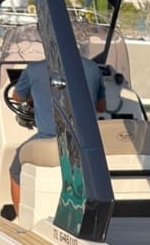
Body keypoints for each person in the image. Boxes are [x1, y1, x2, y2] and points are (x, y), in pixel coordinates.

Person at [8, 57, 107, 207]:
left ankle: (21, 219)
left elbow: (17, 96)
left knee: (15, 170)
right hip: (84, 142)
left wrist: (33, 97)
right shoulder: (93, 68)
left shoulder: (33, 69)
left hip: (48, 140)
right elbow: (101, 107)